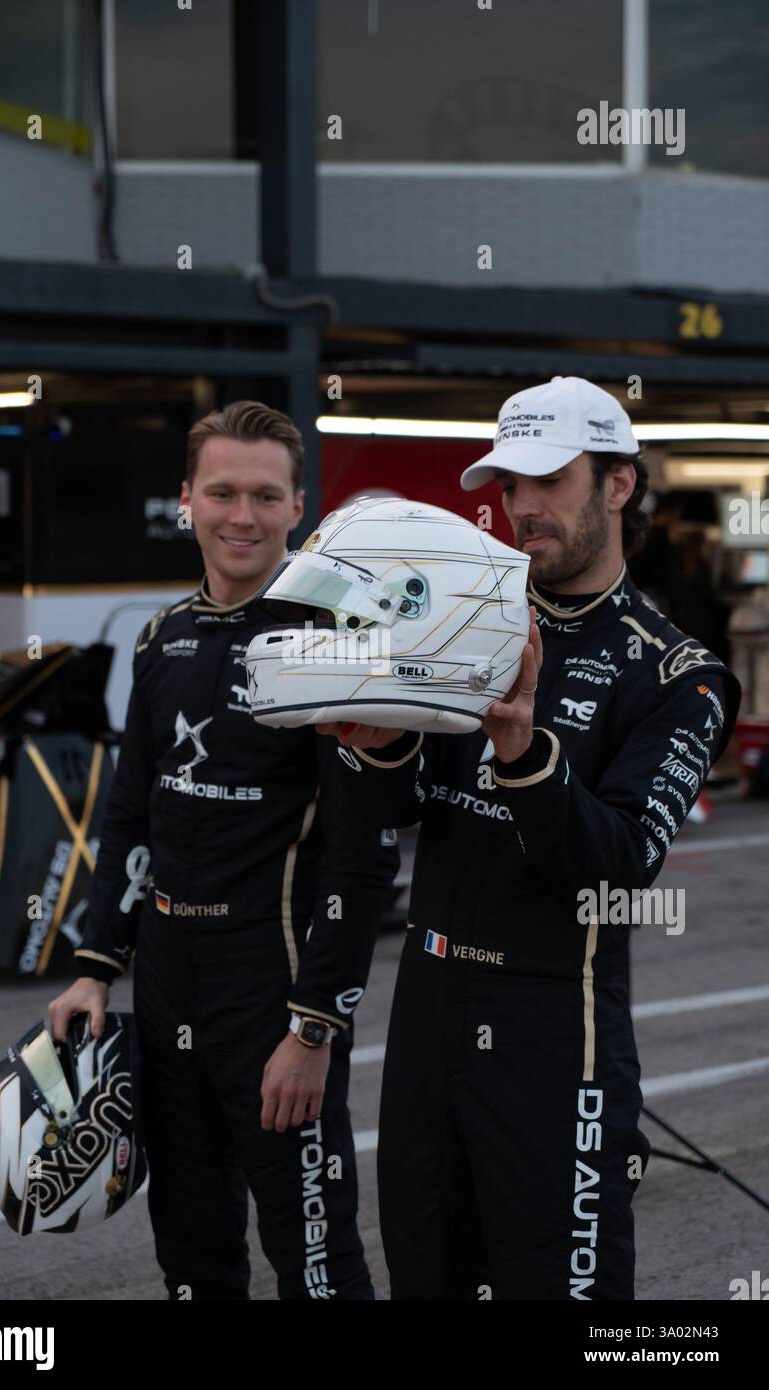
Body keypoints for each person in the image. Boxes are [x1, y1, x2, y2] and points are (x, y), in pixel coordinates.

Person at [318, 376, 741, 1300]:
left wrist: (525, 752)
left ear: (619, 484)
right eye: (510, 483)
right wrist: (378, 747)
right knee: (427, 1275)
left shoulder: (680, 673)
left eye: (548, 480)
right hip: (427, 1007)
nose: (522, 507)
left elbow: (622, 864)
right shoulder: (462, 619)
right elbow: (396, 808)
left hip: (555, 1024)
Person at [48, 401, 398, 1300]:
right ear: (187, 502)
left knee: (316, 1262)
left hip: (273, 988)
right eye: (222, 493)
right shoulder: (160, 637)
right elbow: (131, 813)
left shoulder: (338, 641)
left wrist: (315, 1027)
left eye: (264, 496)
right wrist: (94, 964)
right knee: (193, 1257)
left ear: (297, 508)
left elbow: (362, 860)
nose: (242, 515)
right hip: (168, 982)